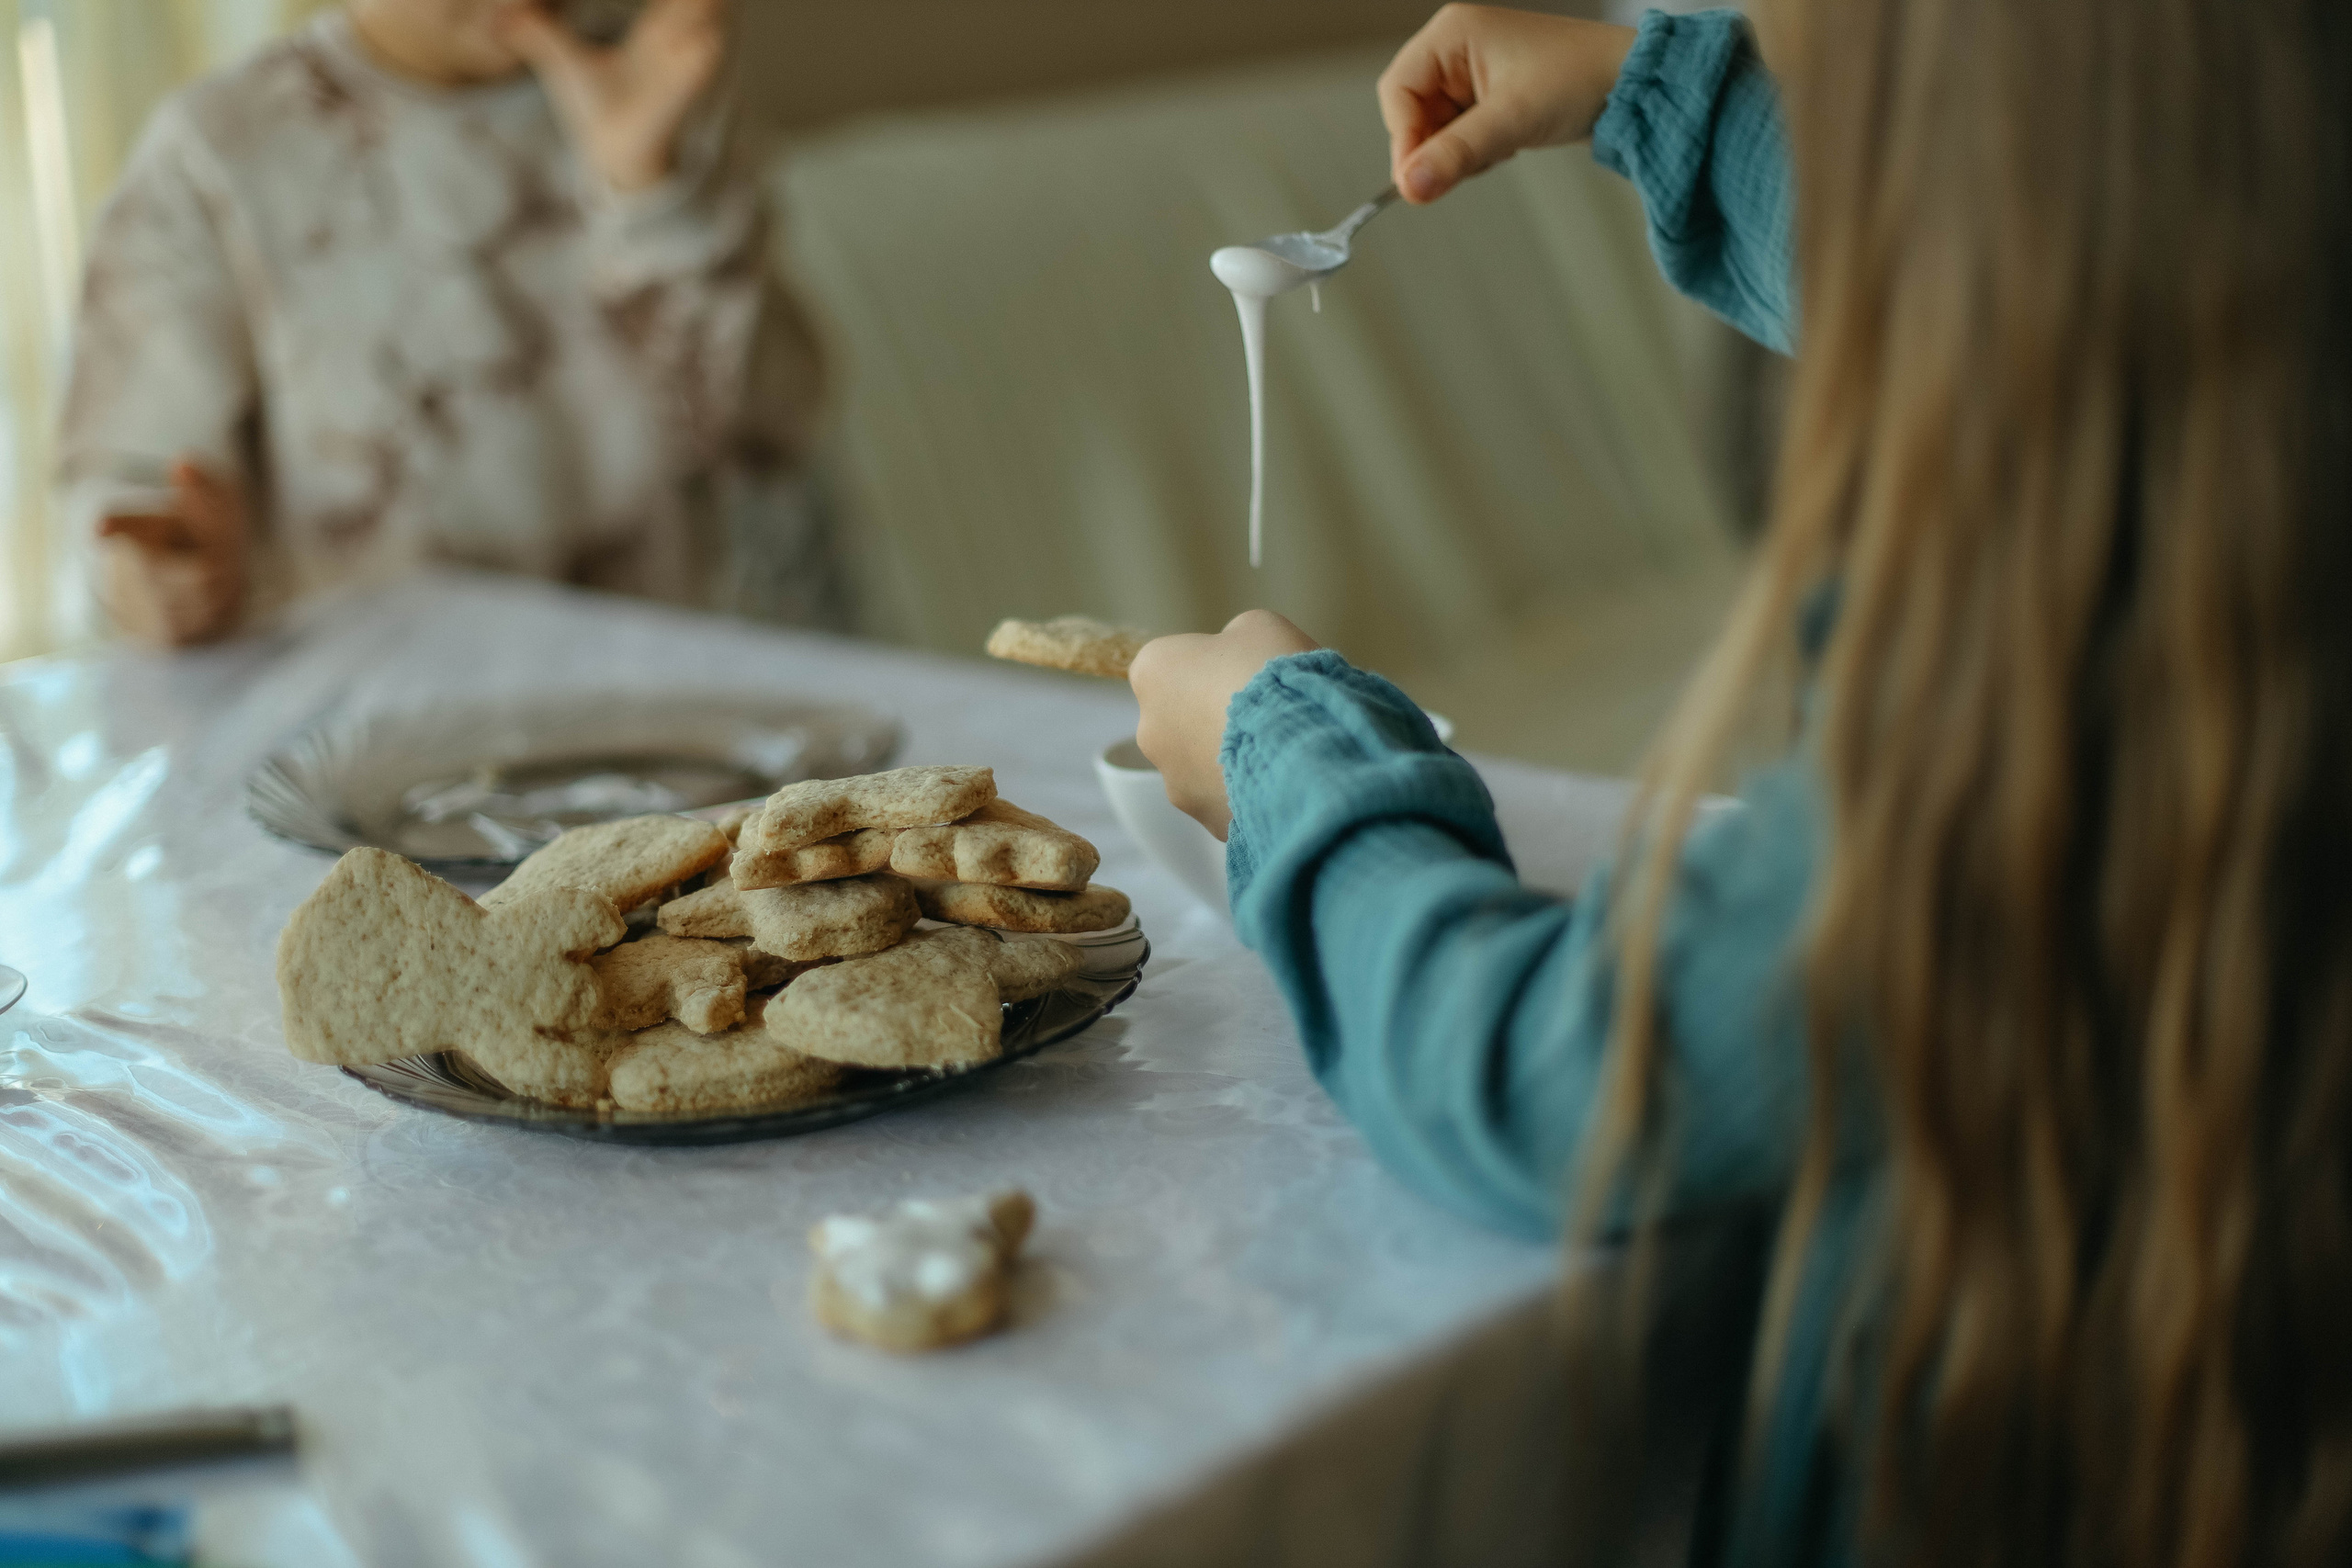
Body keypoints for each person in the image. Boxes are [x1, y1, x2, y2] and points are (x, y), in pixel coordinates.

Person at [1130, 3, 2352, 1564]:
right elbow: (2033, 292)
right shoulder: (2254, 426)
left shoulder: (2050, 724)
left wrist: (1284, 745)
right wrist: (1662, 100)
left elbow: (1541, 1075)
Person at [60, 0, 831, 648]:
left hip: (658, 699)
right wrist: (159, 575)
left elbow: (773, 426)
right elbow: (129, 492)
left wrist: (651, 196)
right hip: (364, 736)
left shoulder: (650, 80)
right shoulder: (220, 148)